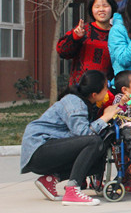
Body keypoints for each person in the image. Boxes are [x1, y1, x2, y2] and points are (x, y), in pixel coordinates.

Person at [21, 70, 120, 206]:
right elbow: (84, 134)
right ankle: (72, 190)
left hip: (49, 148)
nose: (107, 91)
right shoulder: (75, 103)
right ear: (94, 94)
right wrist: (105, 117)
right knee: (94, 142)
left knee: (96, 160)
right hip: (39, 149)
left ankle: (50, 180)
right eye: (105, 88)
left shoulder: (85, 102)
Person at [57, 0, 116, 85]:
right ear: (91, 10)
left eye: (105, 6)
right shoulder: (83, 30)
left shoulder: (117, 33)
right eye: (97, 6)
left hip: (106, 87)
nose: (101, 9)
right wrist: (75, 37)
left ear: (112, 8)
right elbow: (62, 51)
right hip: (80, 86)